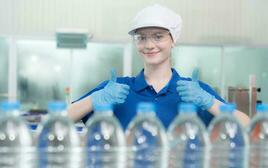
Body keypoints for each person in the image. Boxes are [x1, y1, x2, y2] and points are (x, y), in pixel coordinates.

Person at [68, 4, 250, 129]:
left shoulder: (196, 91)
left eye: (158, 36)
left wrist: (209, 102)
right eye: (141, 38)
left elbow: (248, 126)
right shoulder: (116, 88)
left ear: (173, 40)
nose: (149, 45)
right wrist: (94, 99)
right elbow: (58, 119)